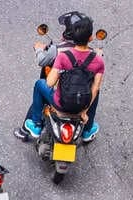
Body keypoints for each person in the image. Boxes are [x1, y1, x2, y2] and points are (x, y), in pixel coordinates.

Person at [22, 13, 105, 142]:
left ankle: (36, 124)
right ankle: (87, 131)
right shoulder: (98, 60)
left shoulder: (62, 56)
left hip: (60, 104)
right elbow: (95, 88)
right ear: (90, 38)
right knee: (96, 90)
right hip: (82, 105)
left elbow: (49, 83)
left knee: (40, 84)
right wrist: (84, 111)